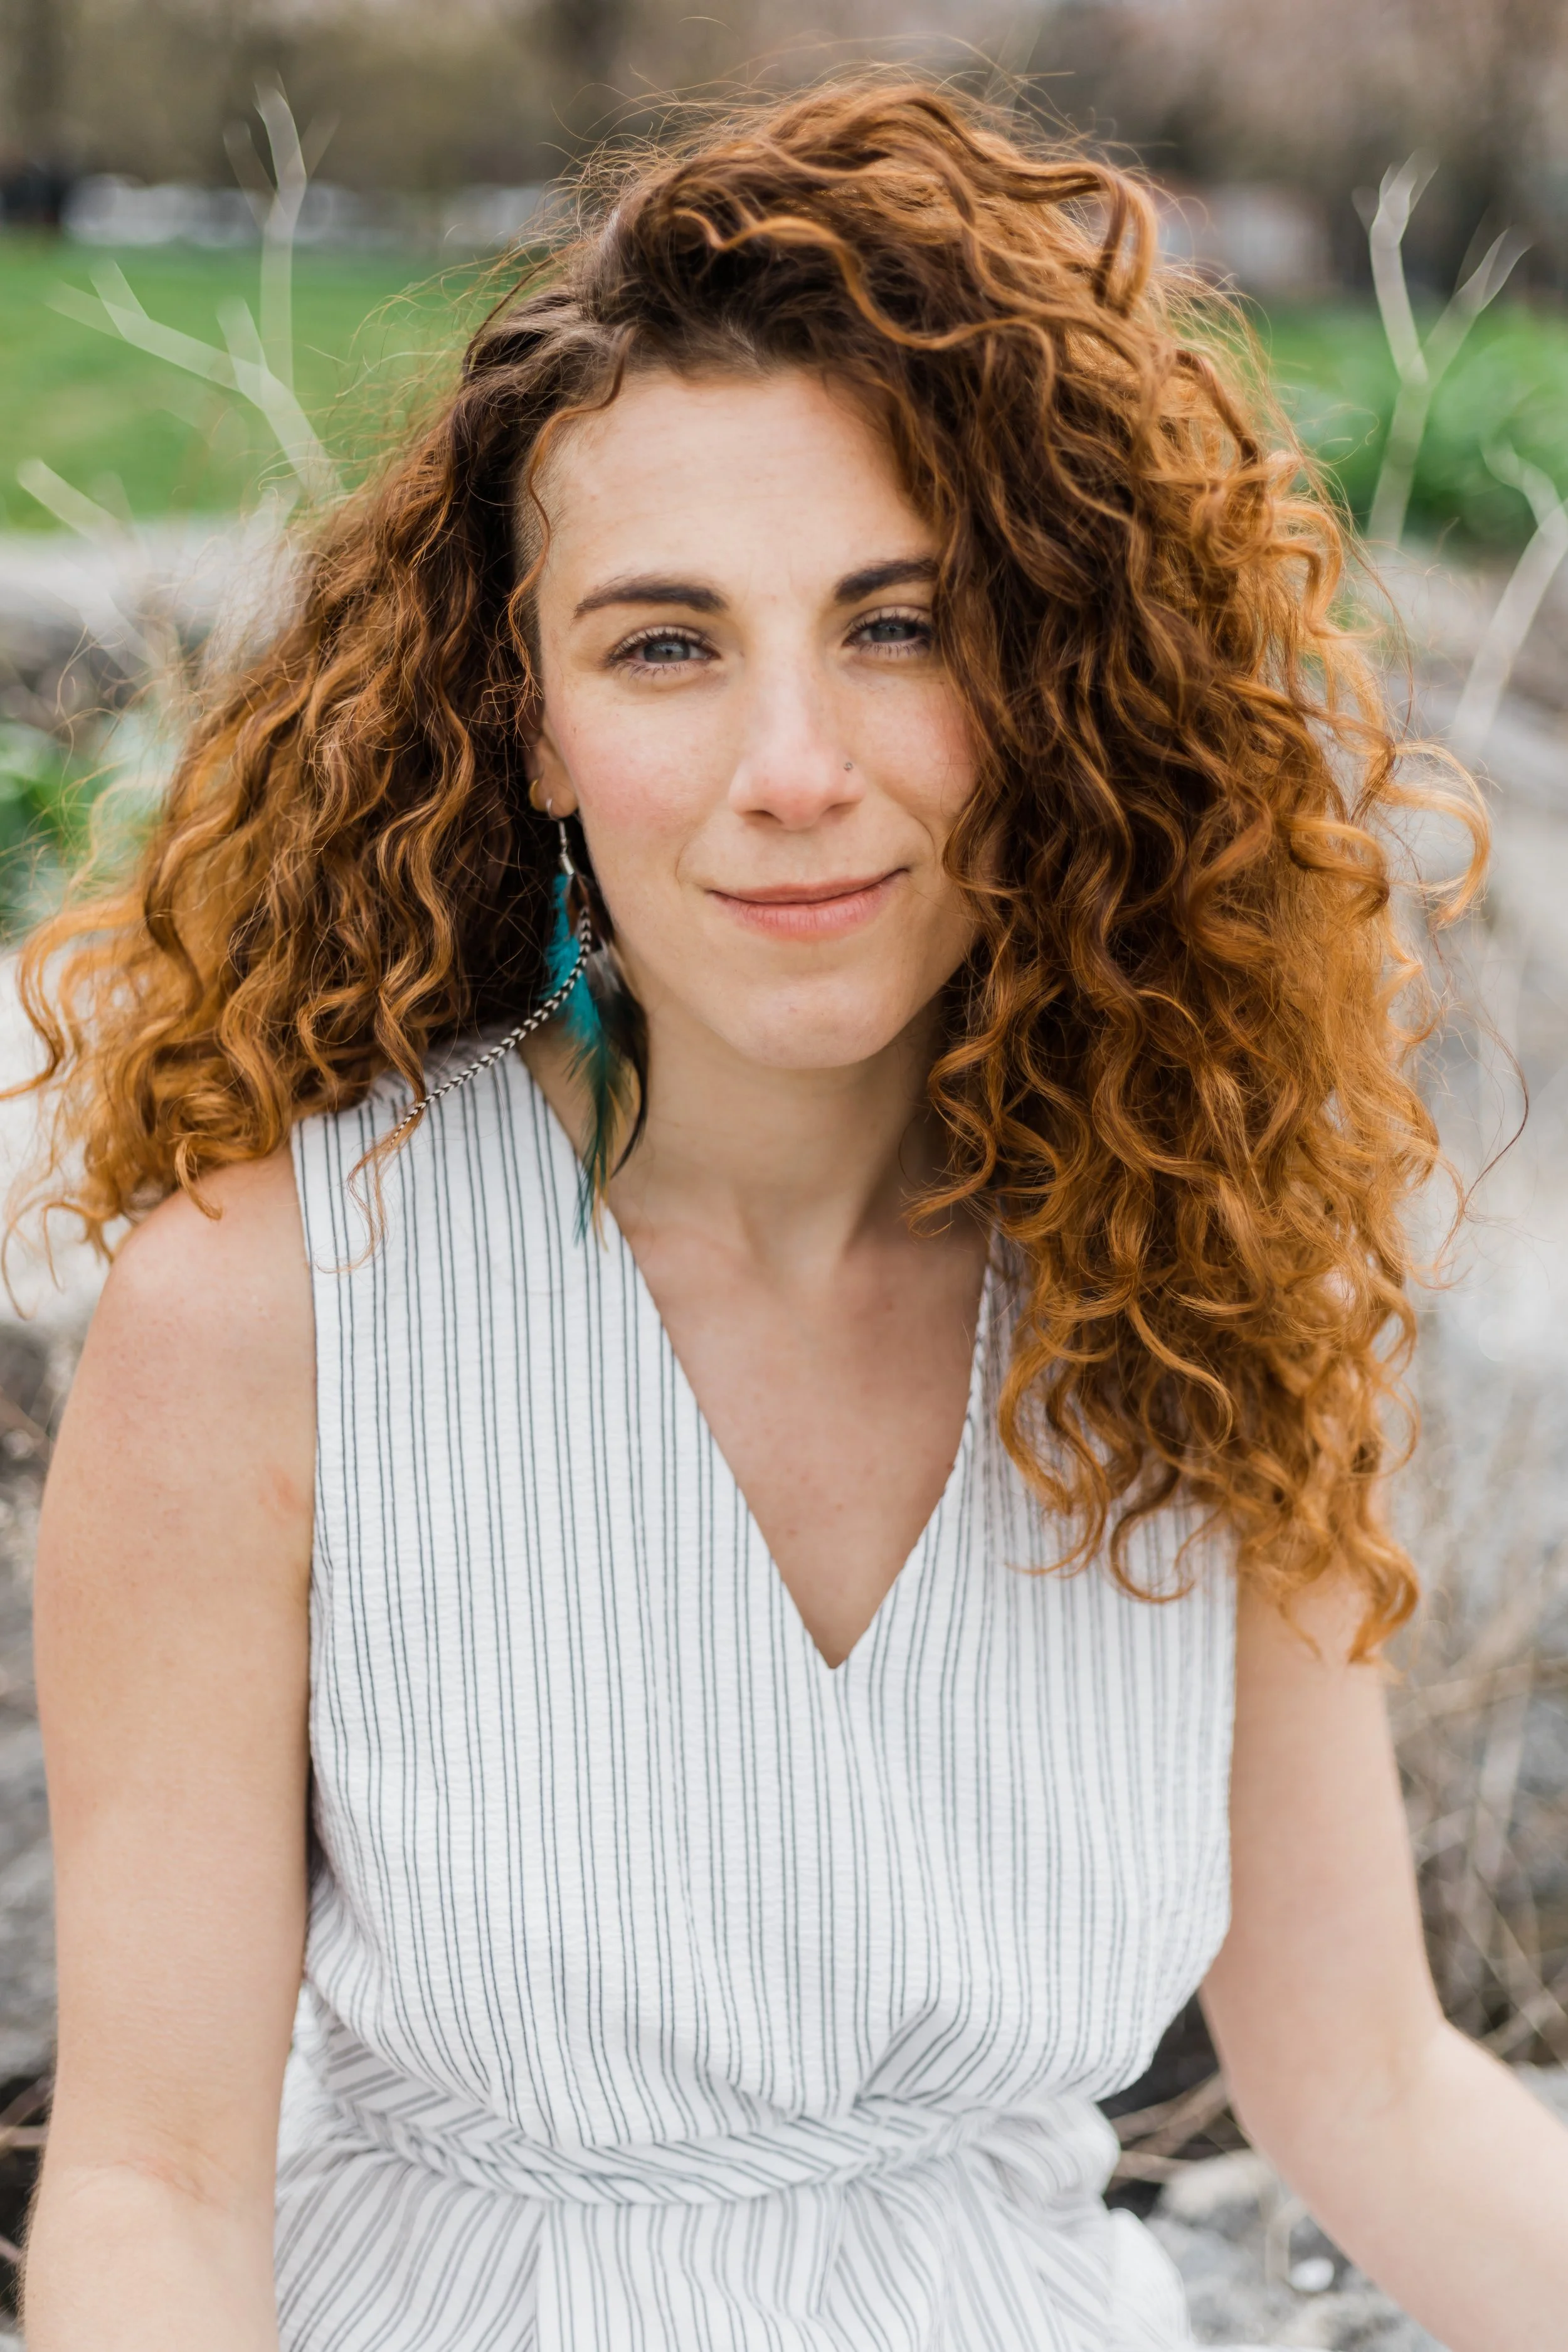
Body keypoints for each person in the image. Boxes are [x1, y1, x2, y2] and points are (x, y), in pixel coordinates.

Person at [16, 74, 1568, 2352]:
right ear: (527, 717)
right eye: (665, 643)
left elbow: (1368, 2077)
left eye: (895, 625)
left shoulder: (1204, 1264)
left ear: (1043, 672)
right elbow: (152, 2187)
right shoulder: (269, 1305)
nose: (792, 770)